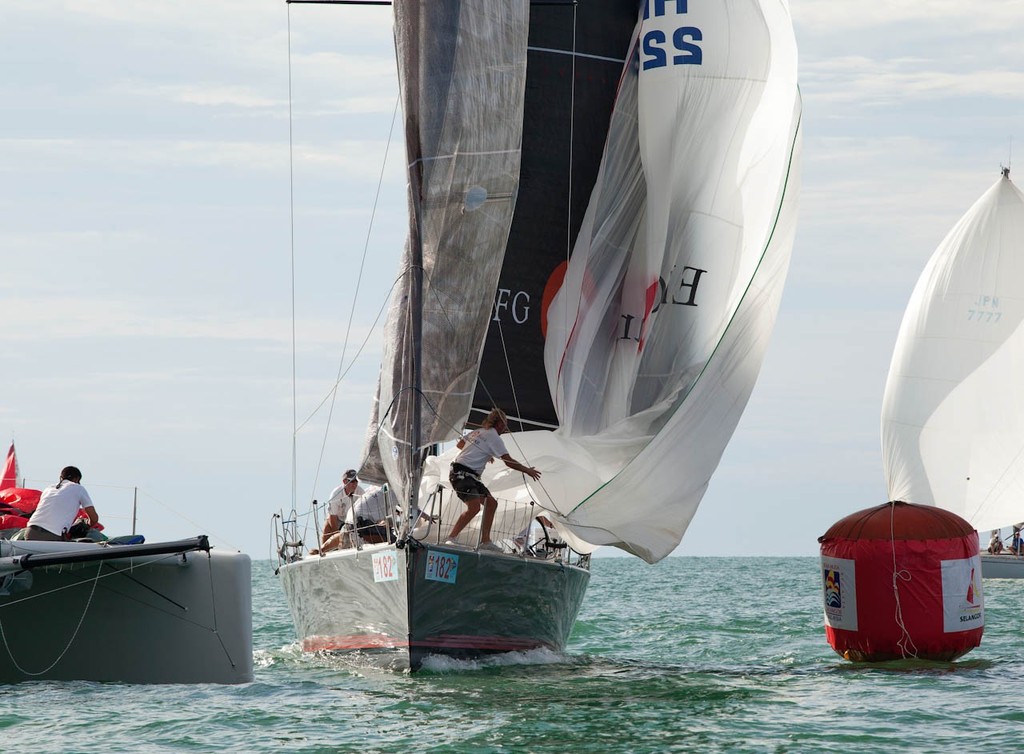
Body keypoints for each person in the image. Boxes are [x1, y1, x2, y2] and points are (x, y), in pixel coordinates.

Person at [446, 408, 541, 553]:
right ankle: (451, 538)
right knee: (474, 507)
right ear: (501, 424)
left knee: (491, 503)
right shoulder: (494, 437)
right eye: (505, 424)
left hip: (468, 475)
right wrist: (527, 470)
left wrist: (485, 451)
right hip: (462, 474)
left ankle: (485, 541)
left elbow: (460, 445)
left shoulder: (478, 431)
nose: (505, 428)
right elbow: (508, 461)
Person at [26, 466, 99, 541]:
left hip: (30, 532)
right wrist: (87, 524)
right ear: (76, 479)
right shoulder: (79, 488)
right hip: (52, 535)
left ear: (61, 477)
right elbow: (94, 518)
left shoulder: (48, 489)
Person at [316, 469, 363, 553]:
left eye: (356, 481)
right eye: (352, 481)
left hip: (353, 520)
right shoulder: (336, 494)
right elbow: (332, 517)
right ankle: (322, 552)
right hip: (337, 519)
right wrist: (337, 535)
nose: (355, 484)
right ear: (345, 481)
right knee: (327, 528)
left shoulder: (361, 492)